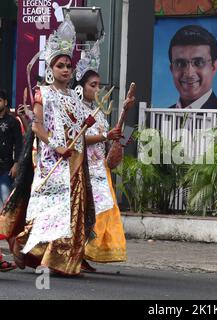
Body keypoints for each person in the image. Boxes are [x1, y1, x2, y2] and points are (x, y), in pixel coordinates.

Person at [7, 15, 96, 276]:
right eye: (60, 66)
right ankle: (25, 245)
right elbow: (37, 126)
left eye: (69, 65)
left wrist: (87, 122)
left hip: (74, 159)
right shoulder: (41, 93)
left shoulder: (74, 97)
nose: (66, 70)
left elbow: (78, 130)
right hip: (50, 161)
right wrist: (57, 147)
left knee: (71, 211)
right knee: (49, 211)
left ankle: (60, 260)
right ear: (51, 70)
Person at [73, 40, 130, 271]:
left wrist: (124, 116)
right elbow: (77, 140)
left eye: (99, 85)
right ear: (82, 87)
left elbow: (109, 137)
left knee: (104, 211)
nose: (97, 90)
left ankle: (86, 253)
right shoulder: (75, 109)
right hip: (82, 169)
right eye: (93, 85)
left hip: (100, 170)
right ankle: (78, 254)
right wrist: (107, 135)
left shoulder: (100, 113)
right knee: (87, 212)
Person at [168, 25, 217, 110]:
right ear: (171, 69)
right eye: (180, 63)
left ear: (214, 67)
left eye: (199, 62)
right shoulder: (158, 118)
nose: (189, 73)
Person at [0, 89, 21, 272]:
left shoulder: (12, 122)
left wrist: (16, 164)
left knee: (7, 211)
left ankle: (16, 252)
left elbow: (19, 145)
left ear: (5, 102)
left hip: (5, 171)